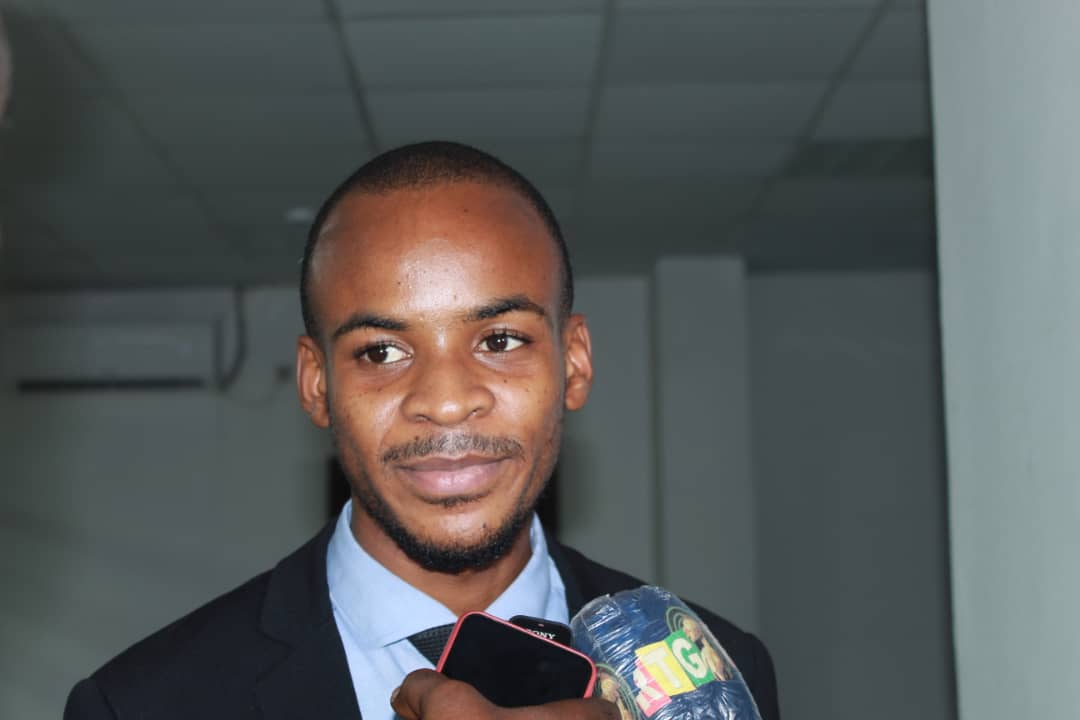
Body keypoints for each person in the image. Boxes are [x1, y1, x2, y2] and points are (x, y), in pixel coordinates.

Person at [64, 141, 780, 720]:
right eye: (381, 352)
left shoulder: (722, 677)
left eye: (500, 340)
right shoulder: (141, 705)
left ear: (575, 363)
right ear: (316, 384)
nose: (445, 402)